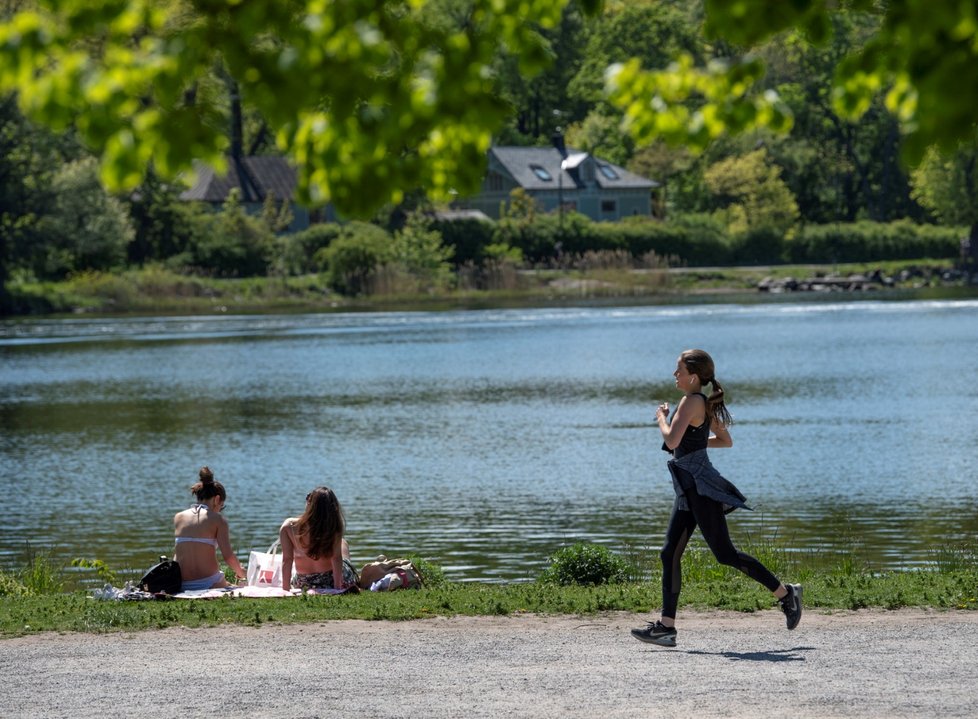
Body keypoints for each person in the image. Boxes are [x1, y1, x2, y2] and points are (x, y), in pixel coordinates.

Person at [631, 349, 802, 647]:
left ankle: (786, 595)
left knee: (726, 554)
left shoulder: (689, 402)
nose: (675, 375)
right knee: (669, 553)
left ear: (693, 376)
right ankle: (666, 627)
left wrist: (662, 417)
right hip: (688, 487)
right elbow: (724, 440)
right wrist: (693, 442)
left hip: (701, 488)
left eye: (679, 371)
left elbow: (670, 440)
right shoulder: (703, 403)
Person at [173, 466, 246, 591]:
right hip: (209, 582)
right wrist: (241, 574)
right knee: (240, 586)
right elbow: (228, 556)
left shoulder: (178, 517)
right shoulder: (218, 520)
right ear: (217, 499)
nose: (219, 510)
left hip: (182, 583)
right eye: (221, 506)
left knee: (229, 584)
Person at [280, 486, 359, 591]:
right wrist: (337, 588)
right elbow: (336, 559)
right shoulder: (333, 527)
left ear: (310, 503)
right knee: (343, 543)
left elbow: (287, 559)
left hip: (303, 582)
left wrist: (285, 589)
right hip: (329, 580)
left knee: (342, 544)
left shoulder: (288, 527)